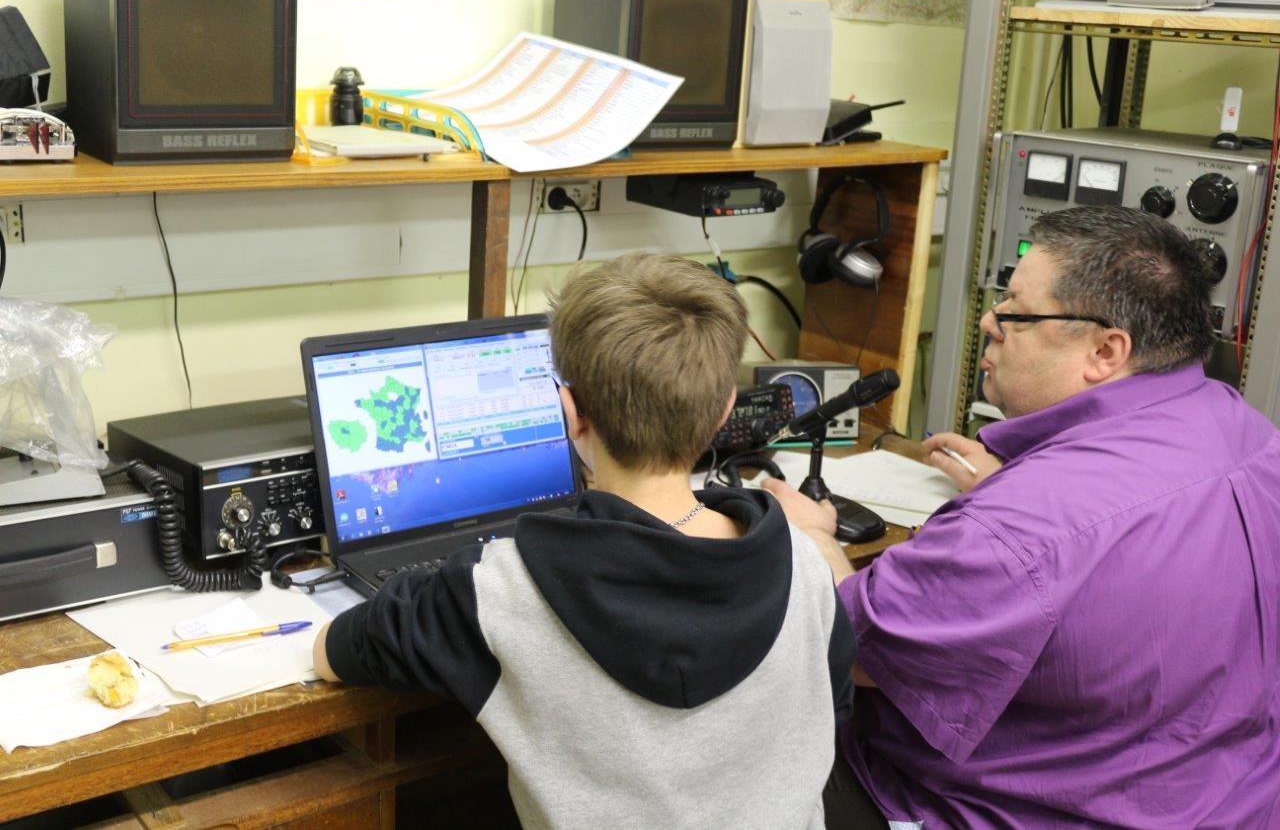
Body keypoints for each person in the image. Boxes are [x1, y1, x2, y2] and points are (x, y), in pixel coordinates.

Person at [765, 206, 1280, 827]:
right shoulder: (1254, 438)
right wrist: (1021, 482)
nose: (990, 320)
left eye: (1016, 311)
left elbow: (852, 651)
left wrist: (813, 538)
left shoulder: (1018, 529)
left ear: (1106, 349)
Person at [313, 252, 857, 828]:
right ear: (724, 409)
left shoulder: (495, 591)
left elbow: (334, 652)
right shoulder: (805, 564)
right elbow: (833, 711)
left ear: (571, 413)